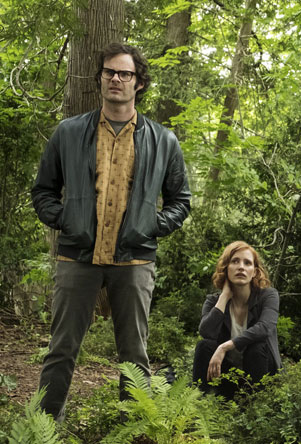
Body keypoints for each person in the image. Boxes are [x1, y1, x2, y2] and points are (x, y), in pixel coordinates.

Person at [31, 43, 191, 421]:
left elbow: (180, 200)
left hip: (134, 260)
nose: (116, 79)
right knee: (61, 349)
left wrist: (151, 225)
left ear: (139, 82)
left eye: (125, 73)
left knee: (134, 355)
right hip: (77, 256)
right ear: (100, 78)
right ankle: (43, 428)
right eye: (109, 72)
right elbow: (43, 191)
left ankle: (131, 430)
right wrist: (67, 219)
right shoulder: (69, 132)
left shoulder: (163, 140)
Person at [193, 241, 282, 399]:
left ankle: (257, 404)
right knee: (204, 346)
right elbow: (206, 332)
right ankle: (200, 403)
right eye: (235, 261)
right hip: (229, 376)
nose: (241, 267)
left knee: (257, 347)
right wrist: (224, 297)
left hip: (261, 373)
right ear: (226, 268)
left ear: (254, 272)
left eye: (247, 263)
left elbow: (265, 328)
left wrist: (224, 347)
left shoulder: (268, 296)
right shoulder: (214, 301)